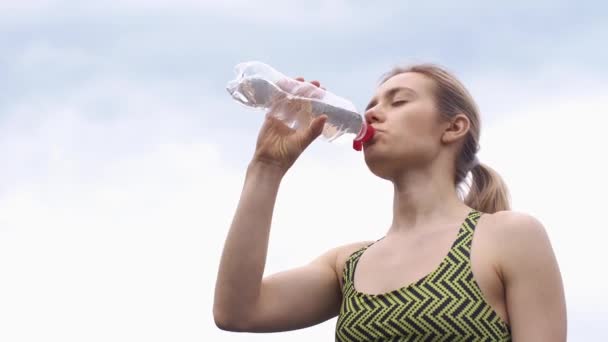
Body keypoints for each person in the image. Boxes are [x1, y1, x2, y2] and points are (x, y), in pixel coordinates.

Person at [213, 64, 567, 341]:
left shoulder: (509, 236)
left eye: (398, 102)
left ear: (454, 127)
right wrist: (266, 167)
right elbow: (238, 312)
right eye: (370, 106)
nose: (372, 114)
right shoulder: (347, 265)